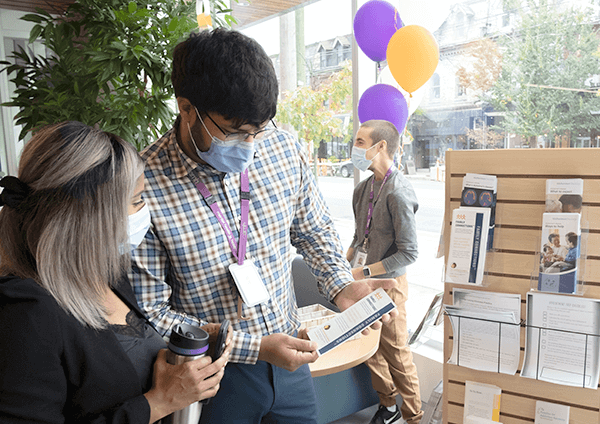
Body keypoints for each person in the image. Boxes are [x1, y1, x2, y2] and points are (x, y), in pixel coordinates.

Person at [129, 28, 397, 424]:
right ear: (187, 108)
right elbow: (149, 312)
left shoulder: (283, 149)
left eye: (258, 129)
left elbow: (314, 229)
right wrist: (254, 348)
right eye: (234, 131)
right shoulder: (141, 185)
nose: (250, 144)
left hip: (292, 366)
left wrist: (342, 285)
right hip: (208, 376)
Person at [0, 121, 230, 423]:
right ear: (90, 218)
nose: (144, 210)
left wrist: (177, 355)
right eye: (136, 201)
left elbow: (115, 359)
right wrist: (158, 403)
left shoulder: (107, 273)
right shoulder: (27, 313)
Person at [346, 120, 423, 424]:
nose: (355, 148)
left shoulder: (399, 192)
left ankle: (415, 416)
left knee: (397, 354)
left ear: (381, 147)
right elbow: (358, 237)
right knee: (371, 348)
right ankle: (388, 404)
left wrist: (363, 271)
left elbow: (409, 253)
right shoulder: (363, 188)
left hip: (390, 285)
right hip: (363, 281)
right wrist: (345, 267)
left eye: (360, 142)